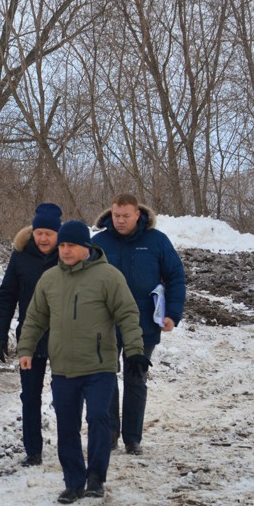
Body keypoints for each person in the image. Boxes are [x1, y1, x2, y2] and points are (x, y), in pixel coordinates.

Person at [17, 221, 147, 504]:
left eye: (70, 245)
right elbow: (35, 318)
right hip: (63, 367)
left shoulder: (108, 276)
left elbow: (127, 314)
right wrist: (25, 349)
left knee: (99, 419)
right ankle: (73, 482)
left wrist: (135, 350)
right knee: (67, 426)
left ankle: (96, 478)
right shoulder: (50, 279)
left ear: (85, 247)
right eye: (62, 245)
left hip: (99, 366)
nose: (64, 251)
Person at [92, 193, 186, 455]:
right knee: (106, 378)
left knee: (136, 378)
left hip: (143, 322)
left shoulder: (156, 241)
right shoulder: (98, 243)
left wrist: (172, 313)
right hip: (105, 323)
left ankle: (132, 438)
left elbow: (175, 276)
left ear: (137, 215)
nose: (120, 221)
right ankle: (109, 433)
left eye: (125, 216)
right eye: (115, 215)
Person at [0, 203, 62, 467]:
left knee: (65, 394)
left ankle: (68, 445)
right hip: (29, 339)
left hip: (63, 338)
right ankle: (33, 451)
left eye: (49, 233)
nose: (43, 238)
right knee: (29, 395)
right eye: (39, 232)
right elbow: (7, 296)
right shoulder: (20, 256)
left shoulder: (68, 256)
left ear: (58, 234)